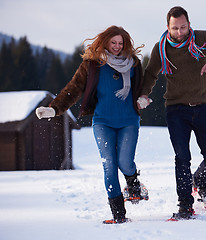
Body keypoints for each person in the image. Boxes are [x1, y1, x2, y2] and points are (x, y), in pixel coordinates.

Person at [35, 25, 151, 224]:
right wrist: (54, 109)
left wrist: (143, 98)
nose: (116, 46)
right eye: (113, 42)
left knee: (124, 162)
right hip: (102, 122)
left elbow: (142, 87)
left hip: (129, 121)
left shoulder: (133, 64)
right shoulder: (92, 65)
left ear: (126, 44)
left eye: (120, 43)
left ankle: (133, 184)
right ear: (105, 42)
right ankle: (119, 215)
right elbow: (74, 88)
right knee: (109, 165)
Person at [139, 6, 206, 220]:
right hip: (176, 109)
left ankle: (198, 182)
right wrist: (144, 95)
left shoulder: (204, 39)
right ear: (168, 27)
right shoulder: (161, 48)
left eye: (183, 27)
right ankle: (185, 205)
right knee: (182, 157)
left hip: (203, 107)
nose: (180, 32)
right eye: (175, 28)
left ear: (189, 24)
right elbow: (150, 74)